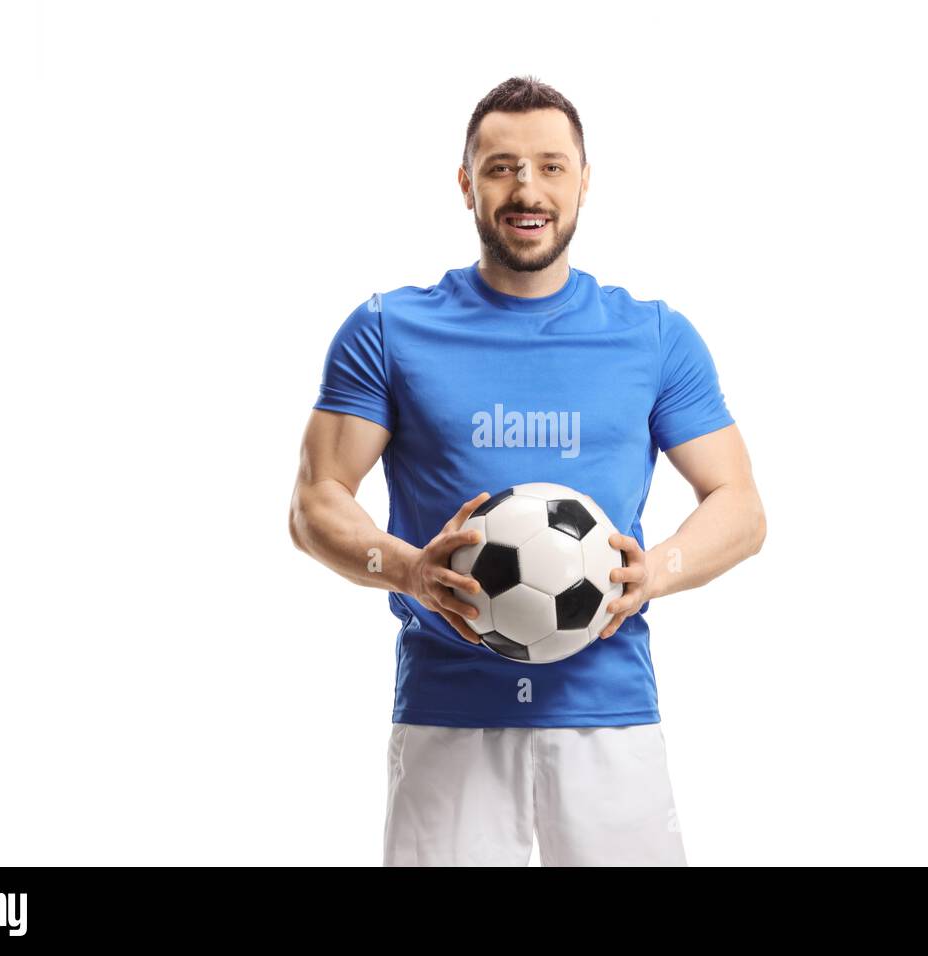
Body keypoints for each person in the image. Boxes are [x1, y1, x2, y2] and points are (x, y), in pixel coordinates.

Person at [289, 75, 766, 866]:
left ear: (584, 180)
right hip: (448, 718)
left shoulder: (652, 336)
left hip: (608, 717)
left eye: (550, 165)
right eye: (502, 166)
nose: (526, 188)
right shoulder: (388, 329)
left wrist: (659, 572)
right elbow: (315, 505)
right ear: (466, 183)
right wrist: (409, 568)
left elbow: (740, 505)